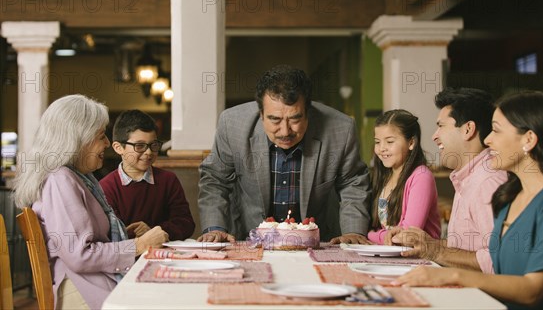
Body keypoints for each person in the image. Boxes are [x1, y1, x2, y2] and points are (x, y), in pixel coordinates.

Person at [393, 91, 543, 310]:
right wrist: (430, 248)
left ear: (528, 139)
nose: (488, 139)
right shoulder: (511, 196)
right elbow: (492, 261)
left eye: (497, 131)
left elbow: (533, 290)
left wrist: (450, 275)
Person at [13, 95, 168, 310]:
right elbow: (80, 255)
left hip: (91, 282)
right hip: (84, 290)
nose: (107, 143)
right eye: (101, 136)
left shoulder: (78, 177)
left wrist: (126, 236)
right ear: (77, 139)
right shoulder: (60, 179)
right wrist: (138, 245)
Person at [197, 64, 371, 243]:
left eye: (295, 119)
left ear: (308, 113)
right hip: (248, 238)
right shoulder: (232, 124)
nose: (285, 131)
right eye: (275, 120)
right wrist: (215, 228)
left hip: (318, 242)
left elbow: (353, 183)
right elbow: (215, 179)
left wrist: (354, 231)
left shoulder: (340, 128)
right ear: (261, 114)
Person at [385, 88, 507, 273]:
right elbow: (466, 247)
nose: (434, 135)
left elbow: (498, 260)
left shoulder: (488, 182)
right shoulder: (468, 178)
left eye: (441, 126)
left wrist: (435, 250)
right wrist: (423, 241)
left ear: (468, 129)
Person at [100, 110, 195, 241]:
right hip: (127, 257)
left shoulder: (168, 180)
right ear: (118, 148)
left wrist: (153, 230)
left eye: (153, 145)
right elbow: (110, 233)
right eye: (139, 146)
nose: (149, 152)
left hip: (165, 255)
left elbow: (186, 224)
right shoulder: (106, 187)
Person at [368, 109, 440, 244]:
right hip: (392, 256)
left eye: (389, 142)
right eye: (377, 142)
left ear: (411, 143)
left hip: (421, 259)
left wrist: (371, 235)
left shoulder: (421, 176)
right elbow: (375, 227)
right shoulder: (383, 176)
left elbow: (407, 235)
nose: (382, 148)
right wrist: (381, 235)